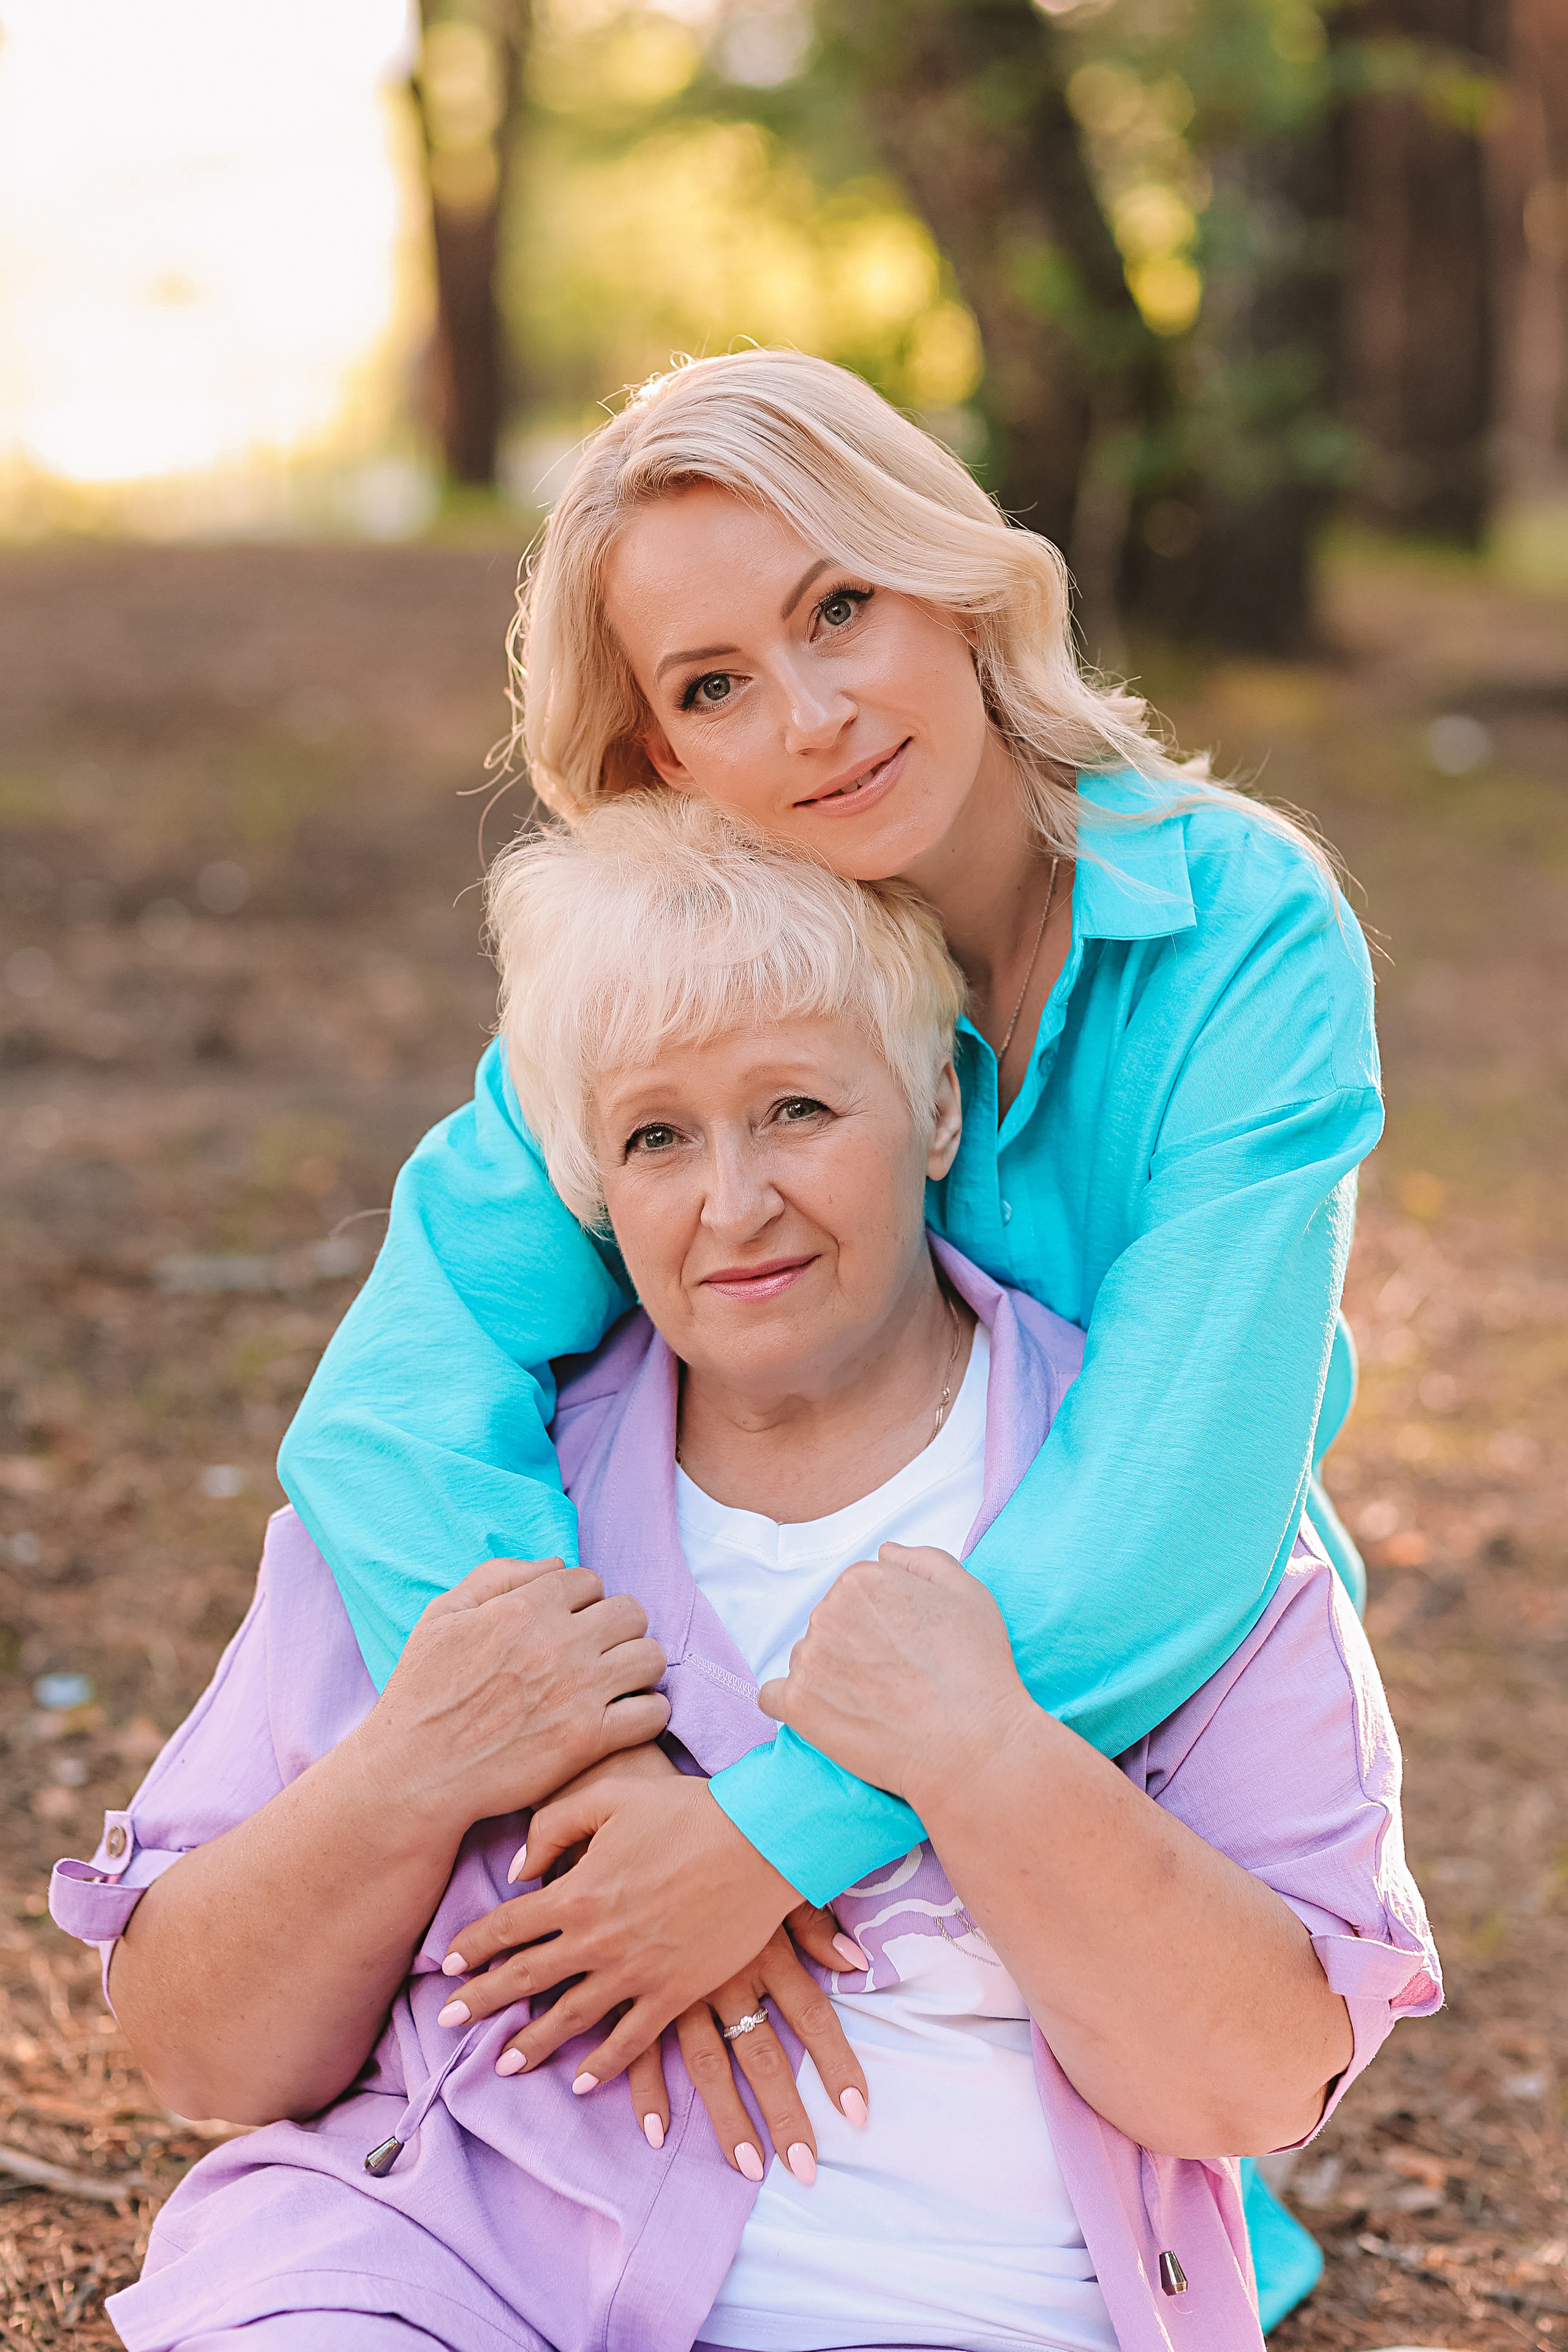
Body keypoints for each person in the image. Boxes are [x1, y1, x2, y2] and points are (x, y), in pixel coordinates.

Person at [277, 350, 1383, 2314]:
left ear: (950, 580)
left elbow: (1176, 1512)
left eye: (838, 608)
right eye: (714, 687)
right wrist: (604, 1786)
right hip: (727, 1646)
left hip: (1139, 1702)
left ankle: (1105, 2151)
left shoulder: (1239, 934)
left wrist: (761, 1846)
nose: (812, 719)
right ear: (658, 763)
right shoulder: (699, 994)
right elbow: (392, 1411)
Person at [52, 800, 1437, 2352]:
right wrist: (415, 1767)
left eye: (794, 1110)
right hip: (436, 2277)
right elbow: (201, 2058)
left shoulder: (1149, 1514)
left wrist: (985, 1757)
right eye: (655, 1136)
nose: (732, 1203)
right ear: (587, 1179)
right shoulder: (478, 1513)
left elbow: (1247, 2084)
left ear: (933, 1112)